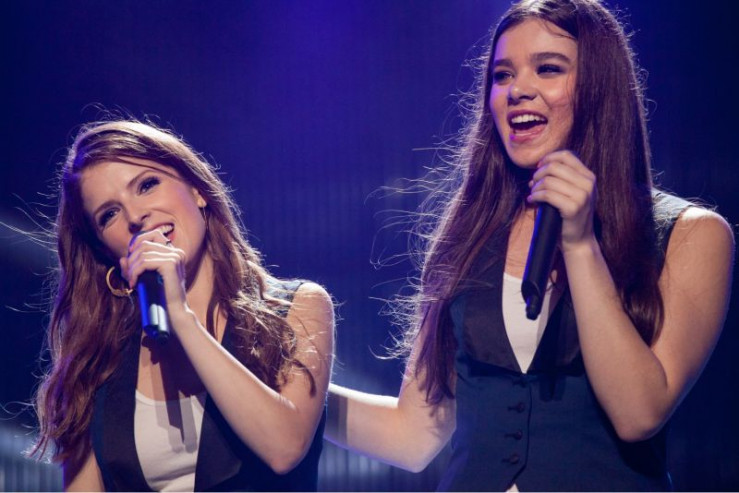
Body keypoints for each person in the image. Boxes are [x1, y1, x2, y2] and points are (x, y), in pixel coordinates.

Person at [325, 0, 734, 491]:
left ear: (599, 86)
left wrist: (580, 244)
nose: (517, 90)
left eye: (548, 69)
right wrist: (287, 394)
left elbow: (639, 413)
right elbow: (412, 436)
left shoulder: (690, 235)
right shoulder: (470, 233)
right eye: (502, 75)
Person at [32, 119, 334, 491]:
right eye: (109, 214)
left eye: (147, 185)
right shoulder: (97, 363)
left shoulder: (295, 308)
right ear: (105, 252)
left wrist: (180, 315)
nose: (134, 217)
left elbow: (284, 447)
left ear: (197, 190)